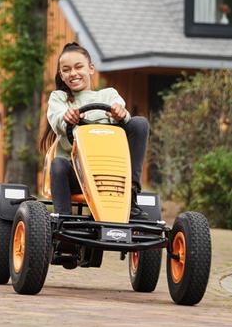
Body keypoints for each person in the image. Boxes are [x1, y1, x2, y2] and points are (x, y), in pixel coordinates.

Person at [39, 42, 150, 220]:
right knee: (58, 164)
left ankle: (131, 194)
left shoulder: (108, 95)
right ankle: (63, 220)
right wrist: (66, 117)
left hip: (110, 172)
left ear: (91, 68)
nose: (73, 73)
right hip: (77, 175)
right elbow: (57, 118)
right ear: (61, 74)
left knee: (139, 123)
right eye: (66, 70)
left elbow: (121, 109)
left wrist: (121, 114)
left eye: (78, 67)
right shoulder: (59, 98)